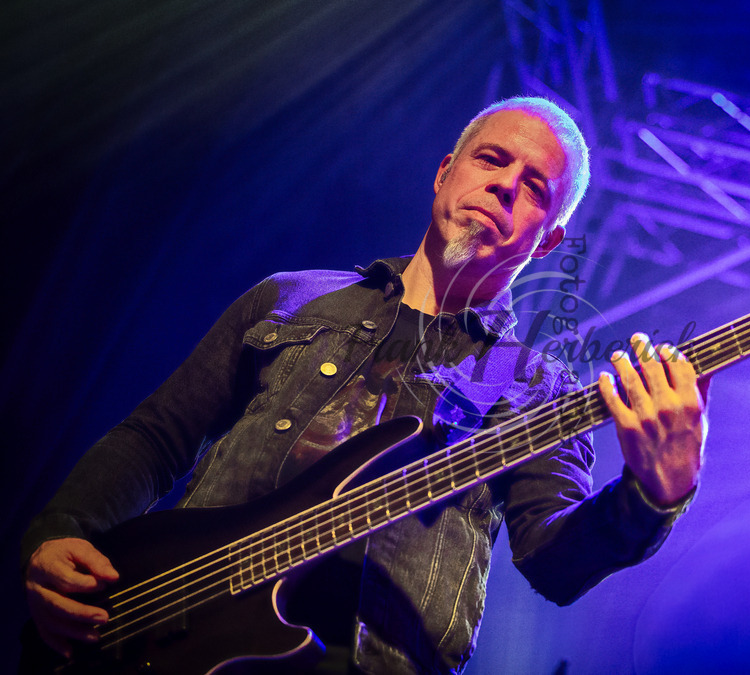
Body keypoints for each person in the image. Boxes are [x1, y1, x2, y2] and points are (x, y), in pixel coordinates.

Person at [21, 97, 709, 674]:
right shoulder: (291, 298)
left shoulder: (536, 385)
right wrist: (61, 532)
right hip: (154, 627)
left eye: (535, 187)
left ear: (548, 241)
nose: (505, 184)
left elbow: (556, 564)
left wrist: (654, 493)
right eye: (493, 159)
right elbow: (155, 436)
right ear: (444, 174)